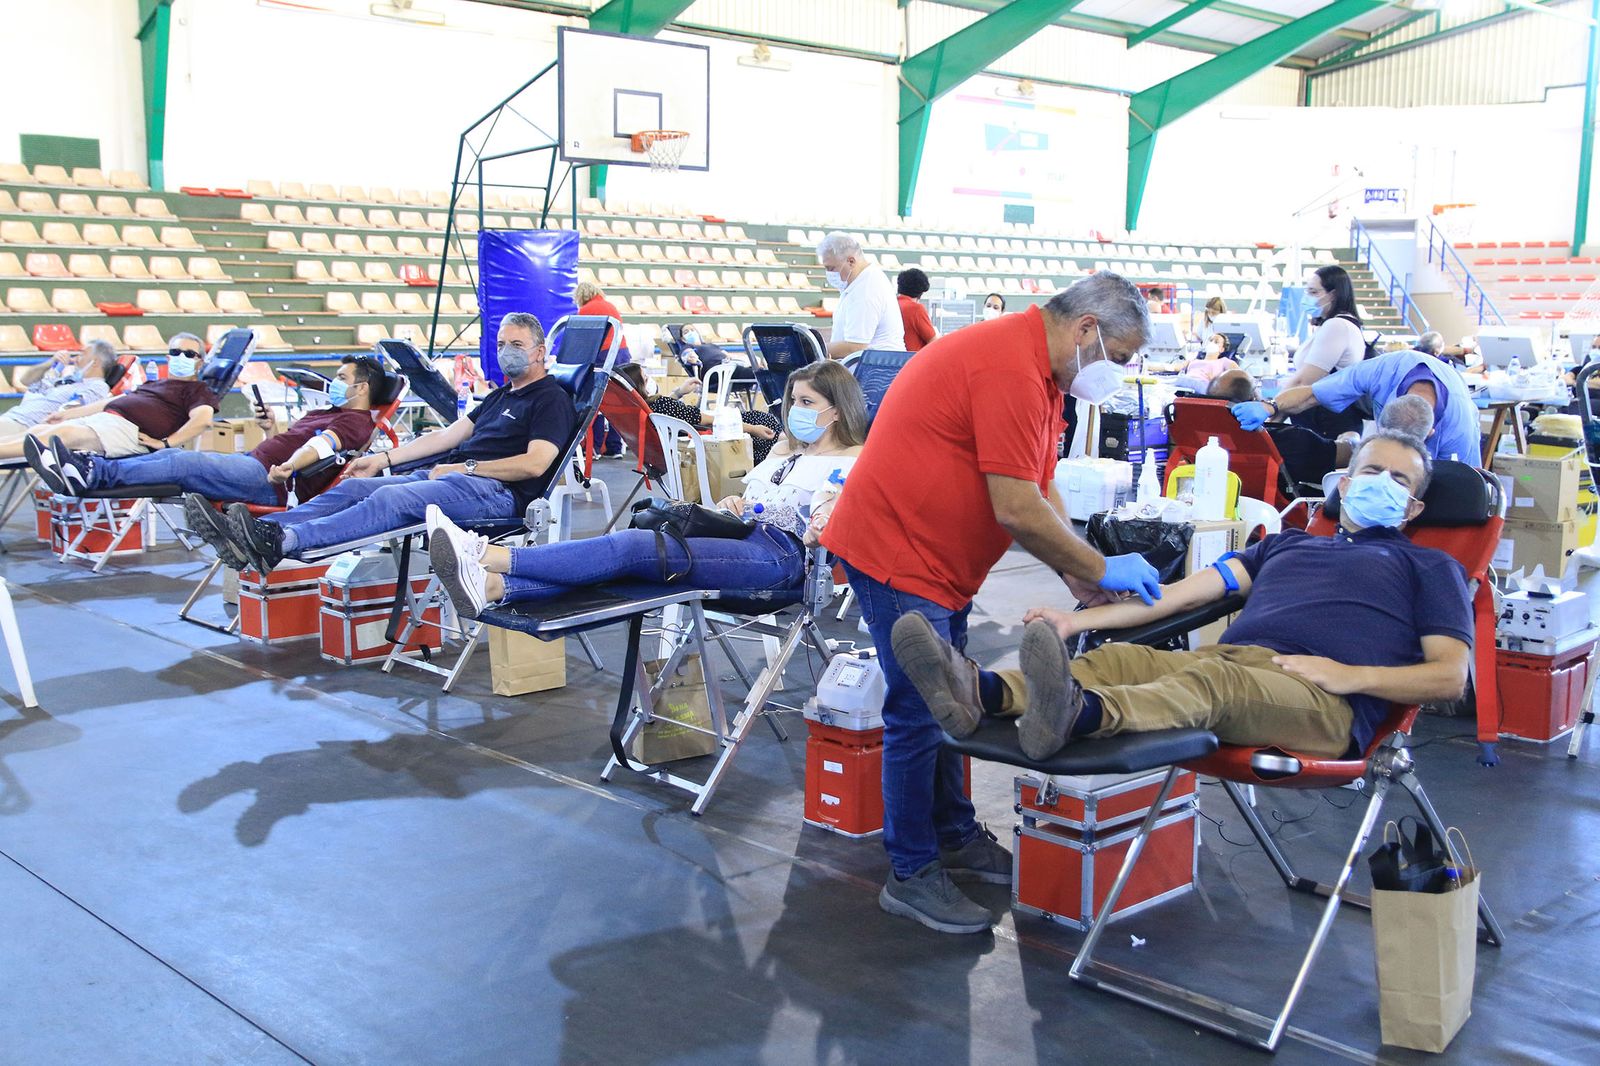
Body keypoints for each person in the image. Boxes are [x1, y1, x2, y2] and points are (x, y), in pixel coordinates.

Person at [820, 272, 1159, 935]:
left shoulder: (1040, 371)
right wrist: (1097, 564)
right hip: (898, 549)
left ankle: (953, 833)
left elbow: (1040, 483)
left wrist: (1080, 581)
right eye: (1116, 359)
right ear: (1086, 329)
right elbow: (1016, 508)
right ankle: (912, 870)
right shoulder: (1009, 364)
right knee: (919, 709)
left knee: (953, 699)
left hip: (935, 561)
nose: (1113, 376)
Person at [892, 431, 1470, 767]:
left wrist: (1350, 676)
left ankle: (1081, 715)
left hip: (1321, 699)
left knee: (1208, 685)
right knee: (1118, 660)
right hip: (1233, 664)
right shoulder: (1284, 546)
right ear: (1344, 483)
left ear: (1415, 509)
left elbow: (1450, 677)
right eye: (1372, 471)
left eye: (1400, 482)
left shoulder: (1430, 565)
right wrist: (1077, 620)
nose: (1383, 486)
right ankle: (983, 692)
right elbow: (1173, 598)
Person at [428, 361, 866, 618]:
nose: (794, 412)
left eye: (807, 403)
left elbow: (831, 525)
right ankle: (492, 588)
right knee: (629, 565)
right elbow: (755, 500)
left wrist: (825, 518)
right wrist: (738, 501)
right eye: (792, 403)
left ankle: (490, 556)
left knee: (637, 547)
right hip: (737, 534)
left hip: (781, 558)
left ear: (837, 409)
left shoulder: (853, 460)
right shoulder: (785, 450)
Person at [184, 313, 575, 573]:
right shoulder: (499, 397)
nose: (506, 352)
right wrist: (383, 459)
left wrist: (465, 467)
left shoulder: (550, 399)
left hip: (496, 493)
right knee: (356, 485)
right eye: (502, 343)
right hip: (450, 478)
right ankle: (251, 531)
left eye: (517, 346)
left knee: (390, 501)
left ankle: (283, 541)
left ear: (541, 352)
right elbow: (446, 436)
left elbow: (535, 464)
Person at [30, 356, 388, 506]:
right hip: (258, 466)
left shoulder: (355, 422)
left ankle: (90, 472)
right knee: (172, 456)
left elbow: (322, 448)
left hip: (272, 484)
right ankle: (87, 473)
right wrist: (269, 431)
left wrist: (291, 466)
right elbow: (294, 445)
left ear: (363, 388)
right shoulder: (327, 410)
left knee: (184, 465)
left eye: (342, 378)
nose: (334, 383)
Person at [1236, 348, 1480, 465]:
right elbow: (1313, 394)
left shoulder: (1458, 431)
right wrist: (1269, 406)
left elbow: (1463, 490)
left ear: (1430, 433)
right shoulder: (1384, 370)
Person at [0, 332, 216, 460]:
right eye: (177, 353)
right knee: (39, 430)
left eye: (189, 354)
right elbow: (115, 401)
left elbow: (203, 420)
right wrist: (68, 414)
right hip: (108, 421)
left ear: (200, 362)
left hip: (129, 431)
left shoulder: (197, 390)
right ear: (169, 357)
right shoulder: (154, 383)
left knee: (60, 436)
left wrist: (166, 444)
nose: (182, 357)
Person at [613, 363, 782, 464]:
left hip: (684, 442)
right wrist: (752, 429)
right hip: (704, 443)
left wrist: (679, 392)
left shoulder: (643, 407)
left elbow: (664, 411)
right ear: (639, 386)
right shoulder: (660, 405)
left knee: (757, 422)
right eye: (646, 378)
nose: (650, 379)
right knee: (759, 420)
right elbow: (707, 421)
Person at [0, 341, 118, 441]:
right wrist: (50, 362)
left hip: (27, 427)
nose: (75, 359)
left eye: (81, 355)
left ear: (95, 362)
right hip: (13, 418)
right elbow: (25, 380)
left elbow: (70, 411)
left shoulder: (97, 386)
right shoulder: (66, 380)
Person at [816, 232, 902, 358]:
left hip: (874, 372)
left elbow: (855, 347)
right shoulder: (856, 284)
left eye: (831, 268)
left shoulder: (867, 289)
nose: (829, 273)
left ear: (851, 261)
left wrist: (814, 348)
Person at [576, 281, 629, 458]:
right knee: (617, 402)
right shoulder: (610, 306)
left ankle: (594, 448)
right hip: (621, 354)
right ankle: (615, 447)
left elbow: (582, 342)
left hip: (601, 355)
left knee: (596, 401)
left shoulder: (585, 311)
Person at [897, 268, 937, 352]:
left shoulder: (892, 305)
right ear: (922, 291)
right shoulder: (916, 309)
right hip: (913, 360)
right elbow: (933, 341)